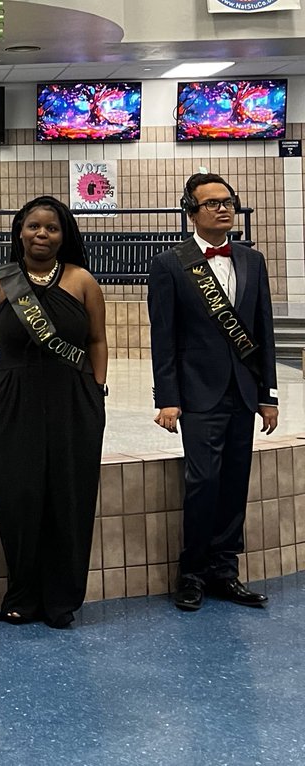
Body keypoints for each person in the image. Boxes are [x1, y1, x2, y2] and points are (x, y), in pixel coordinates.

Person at [0, 195, 107, 629]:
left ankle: (62, 598)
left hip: (73, 401)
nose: (42, 234)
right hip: (11, 401)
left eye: (51, 227)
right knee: (20, 498)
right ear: (19, 231)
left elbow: (98, 341)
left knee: (69, 495)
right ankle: (23, 595)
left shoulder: (82, 280)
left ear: (64, 234)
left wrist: (96, 388)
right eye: (33, 226)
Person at [149, 172, 278, 612]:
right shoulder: (171, 264)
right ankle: (192, 572)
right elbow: (163, 338)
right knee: (203, 481)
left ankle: (225, 571)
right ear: (191, 212)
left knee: (234, 482)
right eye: (212, 203)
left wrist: (269, 395)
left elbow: (264, 330)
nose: (224, 209)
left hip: (242, 392)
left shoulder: (252, 260)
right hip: (197, 394)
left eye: (229, 201)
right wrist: (167, 397)